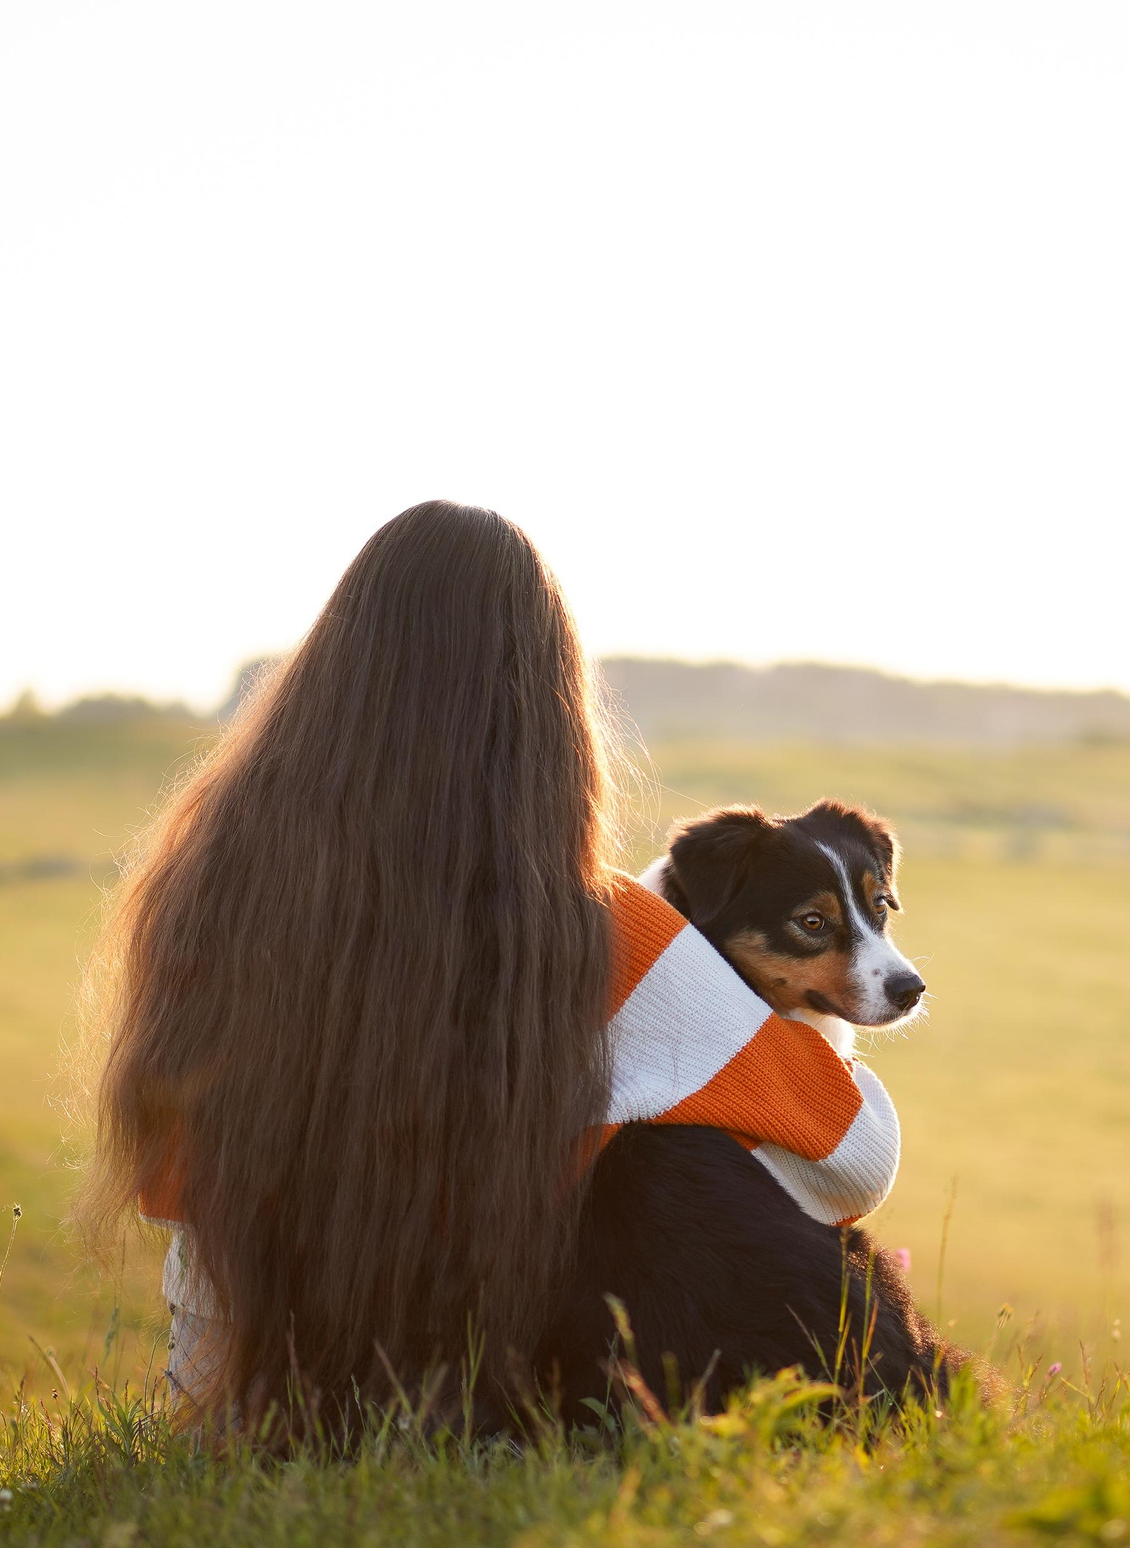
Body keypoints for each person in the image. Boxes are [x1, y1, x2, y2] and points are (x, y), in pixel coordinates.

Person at [74, 501, 923, 1442]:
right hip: (466, 1404)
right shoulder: (603, 933)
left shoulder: (204, 883)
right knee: (678, 1154)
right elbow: (855, 1156)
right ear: (548, 716)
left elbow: (167, 1183)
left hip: (241, 1390)